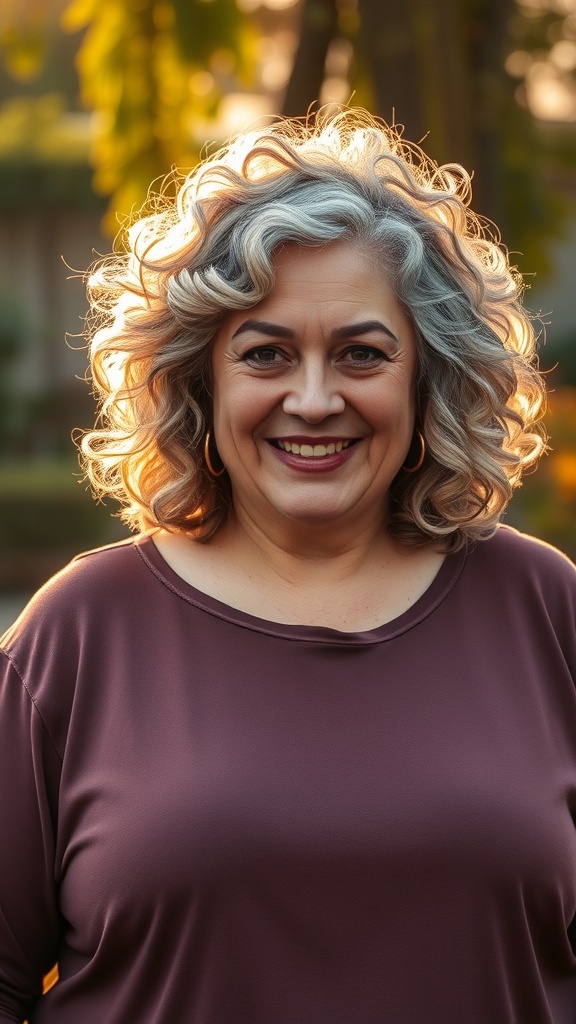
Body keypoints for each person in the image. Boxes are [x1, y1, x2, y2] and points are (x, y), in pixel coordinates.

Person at [1, 108, 575, 1024]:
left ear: (427, 377)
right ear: (200, 380)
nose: (314, 399)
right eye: (266, 354)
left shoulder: (548, 611)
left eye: (362, 354)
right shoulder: (79, 634)